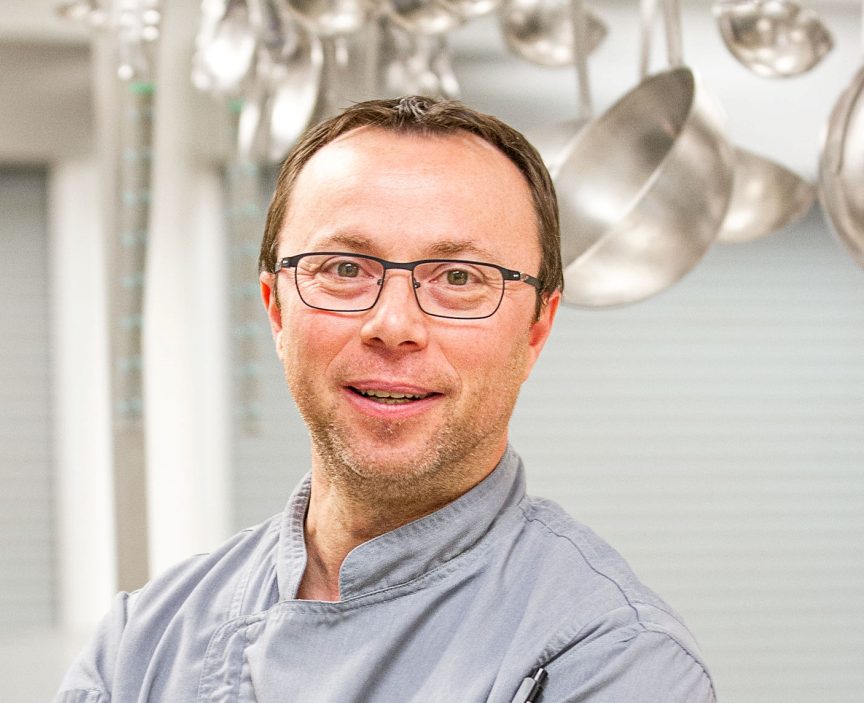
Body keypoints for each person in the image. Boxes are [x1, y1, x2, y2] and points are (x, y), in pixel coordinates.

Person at [55, 96, 715, 702]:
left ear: (537, 327)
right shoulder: (140, 646)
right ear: (276, 310)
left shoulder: (614, 659)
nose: (394, 325)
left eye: (460, 277)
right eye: (344, 269)